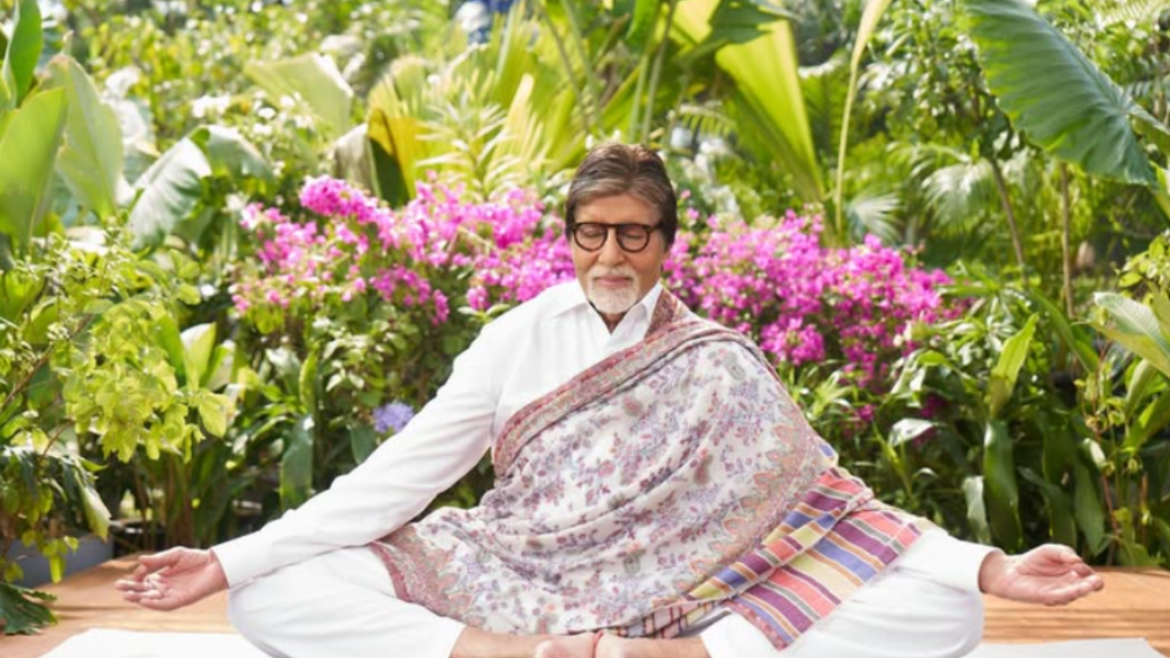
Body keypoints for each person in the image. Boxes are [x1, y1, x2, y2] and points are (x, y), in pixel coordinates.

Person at [117, 143, 1104, 658]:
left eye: (634, 234)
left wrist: (991, 568)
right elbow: (396, 480)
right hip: (517, 575)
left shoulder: (718, 362)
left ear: (666, 243)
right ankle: (510, 657)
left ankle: (673, 657)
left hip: (687, 595)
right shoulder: (515, 337)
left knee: (946, 618)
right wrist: (223, 559)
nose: (611, 254)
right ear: (570, 237)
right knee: (270, 595)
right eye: (593, 232)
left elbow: (837, 509)